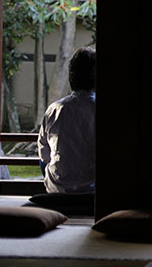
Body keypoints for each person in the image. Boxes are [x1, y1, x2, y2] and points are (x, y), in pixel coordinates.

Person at [37, 46, 96, 195]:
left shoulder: (54, 109)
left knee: (46, 159)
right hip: (93, 190)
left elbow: (44, 155)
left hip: (58, 190)